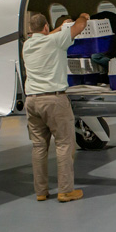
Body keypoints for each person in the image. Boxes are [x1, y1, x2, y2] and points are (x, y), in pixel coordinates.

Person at [22, 12, 90, 203]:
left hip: (32, 101)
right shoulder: (56, 41)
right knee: (64, 145)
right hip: (54, 100)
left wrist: (60, 27)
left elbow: (45, 36)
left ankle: (41, 192)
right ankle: (66, 191)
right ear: (46, 27)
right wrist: (83, 16)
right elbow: (80, 27)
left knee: (38, 147)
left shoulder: (27, 45)